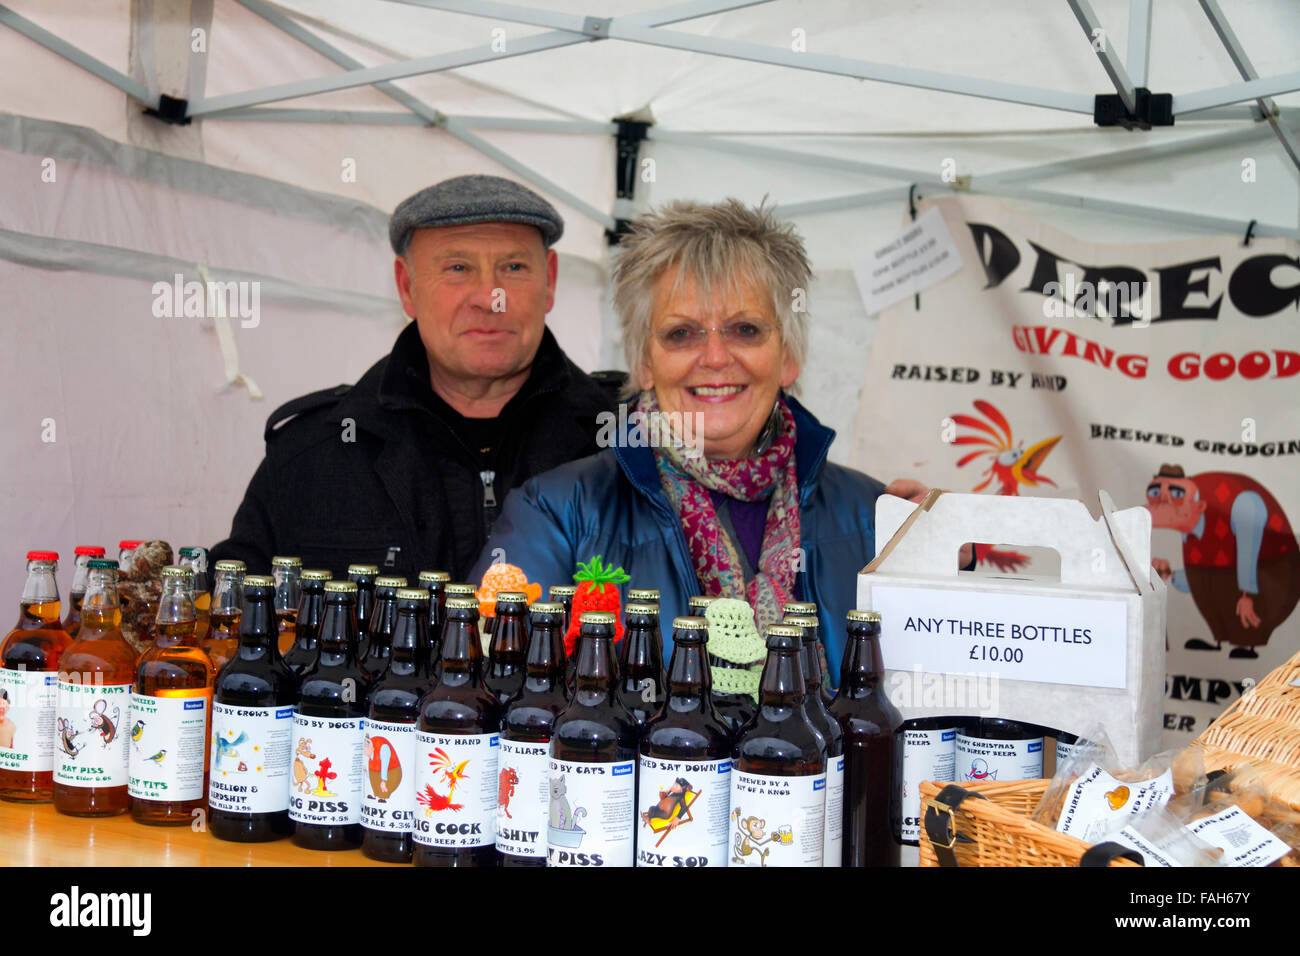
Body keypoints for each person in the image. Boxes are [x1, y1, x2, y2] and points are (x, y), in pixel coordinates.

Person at [470, 199, 947, 687]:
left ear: (789, 356)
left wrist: (940, 568)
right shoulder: (554, 513)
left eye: (745, 329)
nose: (716, 357)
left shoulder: (874, 518)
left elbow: (930, 697)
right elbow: (501, 696)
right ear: (644, 364)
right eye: (682, 333)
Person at [212, 175, 619, 581]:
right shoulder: (312, 454)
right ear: (407, 287)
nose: (488, 298)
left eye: (513, 267)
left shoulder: (627, 444)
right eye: (458, 268)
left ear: (549, 280)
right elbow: (232, 622)